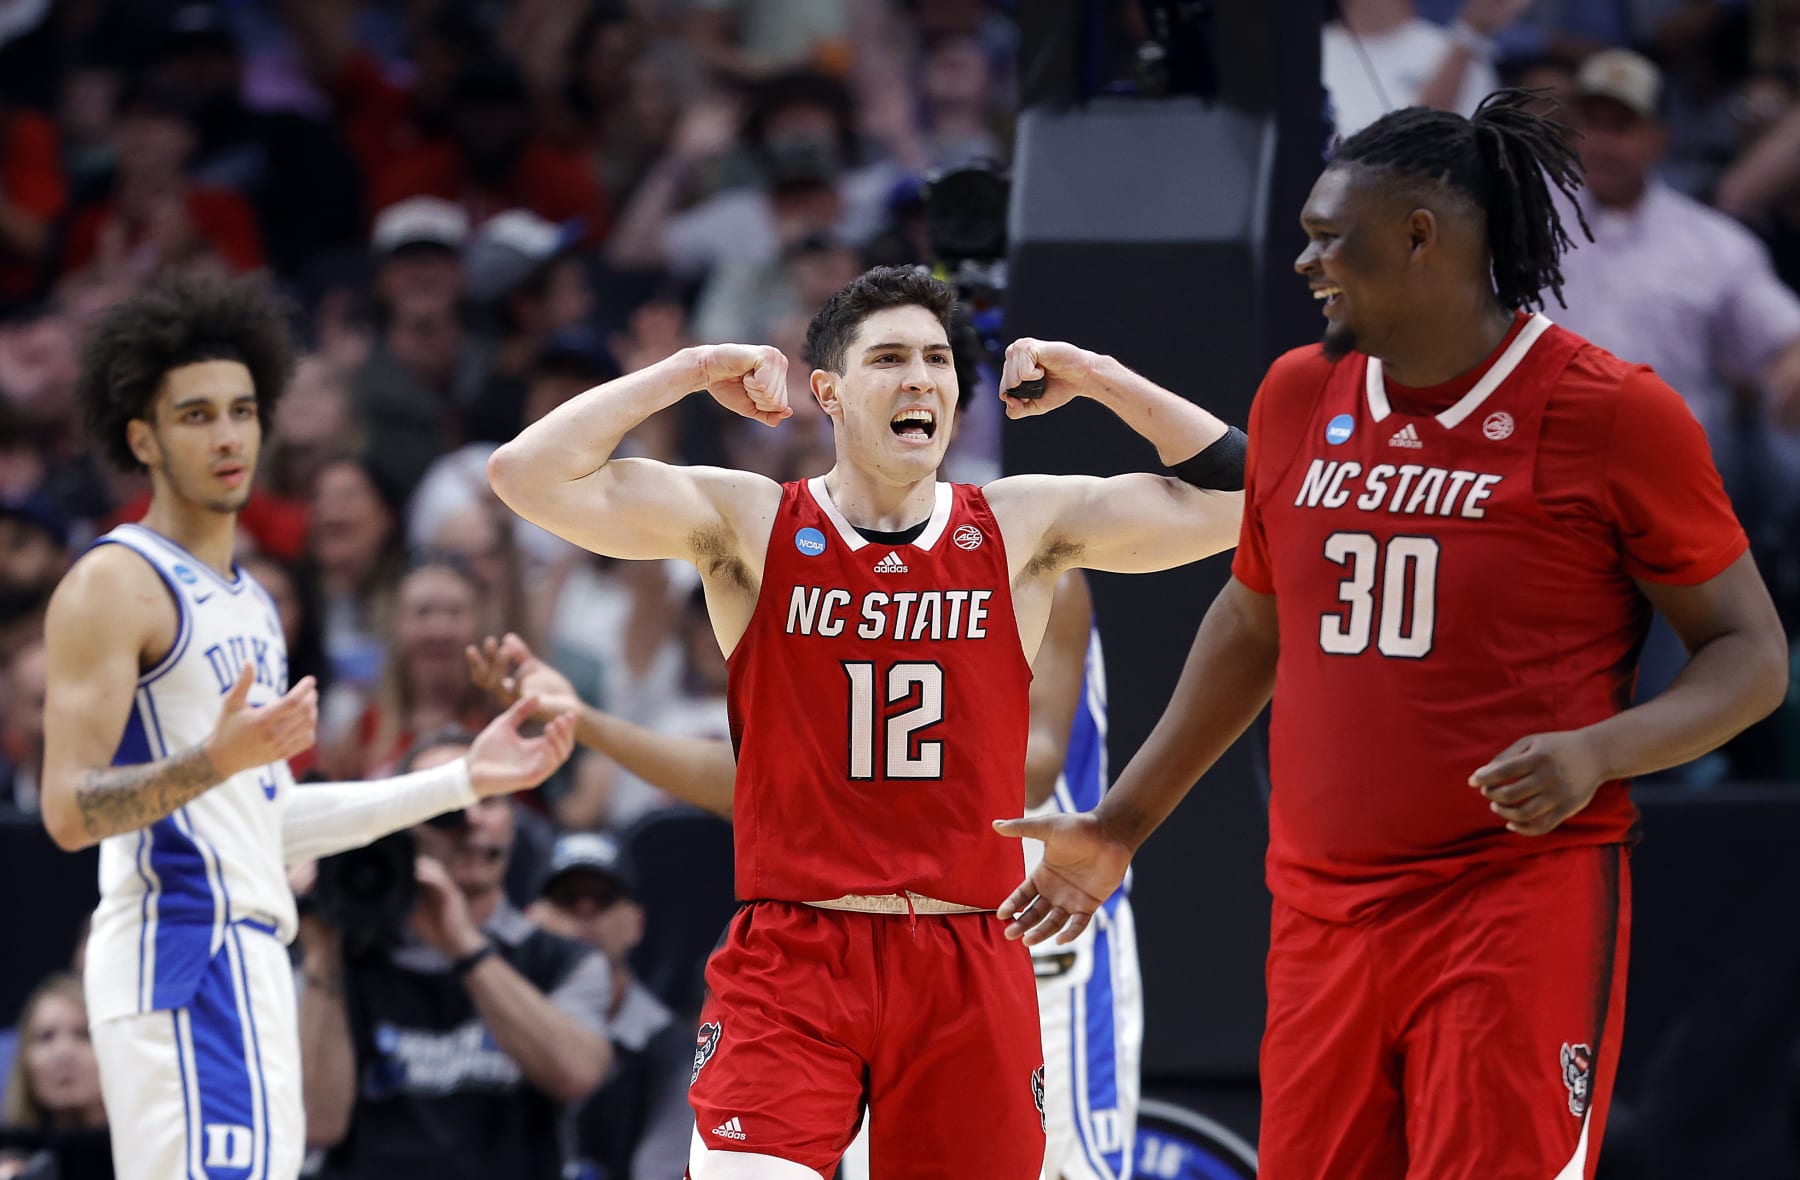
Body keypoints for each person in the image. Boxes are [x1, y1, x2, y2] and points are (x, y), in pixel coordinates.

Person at [996, 92, 1789, 1180]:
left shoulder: (1612, 411)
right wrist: (1121, 821)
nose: (1306, 262)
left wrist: (1603, 751)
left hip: (1511, 901)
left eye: (1331, 236)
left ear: (1421, 237)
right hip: (1322, 910)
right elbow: (1250, 619)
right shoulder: (1298, 393)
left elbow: (1751, 654)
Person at [488, 264, 1242, 1178]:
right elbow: (525, 473)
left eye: (936, 360)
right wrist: (689, 368)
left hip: (968, 951)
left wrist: (1099, 375)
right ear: (829, 393)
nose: (919, 377)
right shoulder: (753, 522)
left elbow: (1248, 500)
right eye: (888, 358)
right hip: (796, 948)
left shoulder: (1018, 526)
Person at [37, 271, 578, 1180]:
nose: (227, 436)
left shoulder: (251, 604)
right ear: (144, 437)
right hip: (180, 956)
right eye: (196, 414)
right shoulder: (115, 582)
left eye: (242, 411)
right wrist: (212, 762)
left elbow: (267, 824)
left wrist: (462, 781)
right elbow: (66, 810)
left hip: (254, 956)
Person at [470, 569, 1141, 1180]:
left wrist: (873, 744)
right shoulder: (815, 573)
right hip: (859, 946)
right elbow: (760, 787)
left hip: (1032, 939)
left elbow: (1036, 764)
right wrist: (582, 722)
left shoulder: (1028, 555)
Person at [298, 731, 611, 1180]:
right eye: (442, 806)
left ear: (514, 822)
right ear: (403, 826)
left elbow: (579, 1075)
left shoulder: (563, 960)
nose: (470, 820)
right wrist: (324, 955)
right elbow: (317, 1124)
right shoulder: (337, 954)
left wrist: (464, 946)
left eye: (489, 800)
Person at [529, 832, 693, 1180]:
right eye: (566, 898)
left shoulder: (673, 1048)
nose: (585, 913)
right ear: (530, 918)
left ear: (637, 923)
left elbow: (663, 1172)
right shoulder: (494, 1021)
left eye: (604, 899)